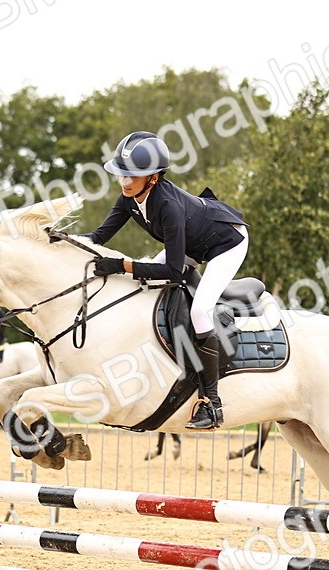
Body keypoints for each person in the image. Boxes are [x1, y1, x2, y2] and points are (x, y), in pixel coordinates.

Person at [84, 131, 248, 430]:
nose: (124, 181)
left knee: (200, 310)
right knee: (143, 282)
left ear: (154, 178)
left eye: (132, 175)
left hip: (227, 242)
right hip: (192, 242)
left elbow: (174, 271)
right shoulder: (129, 198)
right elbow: (97, 237)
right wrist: (61, 243)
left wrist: (120, 265)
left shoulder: (167, 206)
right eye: (122, 173)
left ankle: (212, 403)